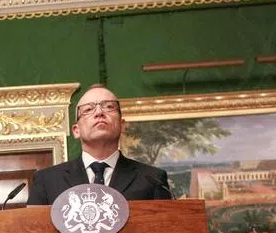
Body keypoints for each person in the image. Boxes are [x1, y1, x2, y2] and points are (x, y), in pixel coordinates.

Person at [27, 84, 172, 205]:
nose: (99, 112)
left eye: (108, 107)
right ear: (76, 131)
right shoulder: (47, 181)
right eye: (88, 109)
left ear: (122, 125)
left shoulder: (153, 179)